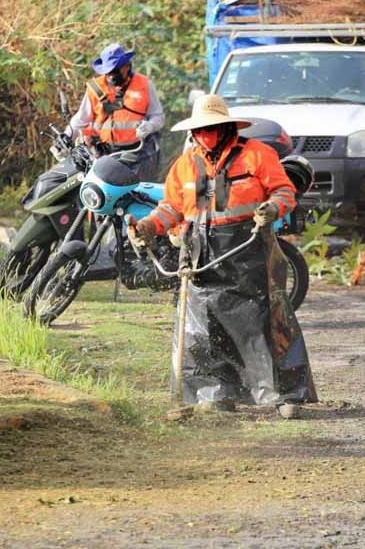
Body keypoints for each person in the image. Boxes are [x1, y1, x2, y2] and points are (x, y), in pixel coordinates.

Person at [127, 94, 316, 418]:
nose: (206, 135)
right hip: (201, 252)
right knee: (203, 329)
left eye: (212, 128)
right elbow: (171, 209)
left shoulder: (258, 155)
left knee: (266, 322)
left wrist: (272, 208)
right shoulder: (185, 165)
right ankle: (214, 394)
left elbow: (285, 192)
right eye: (200, 130)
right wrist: (148, 226)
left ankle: (286, 395)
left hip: (250, 249)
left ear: (227, 127)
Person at [69, 43, 163, 181]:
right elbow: (80, 121)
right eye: (108, 72)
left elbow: (158, 117)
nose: (111, 76)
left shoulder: (144, 84)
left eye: (115, 70)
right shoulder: (95, 88)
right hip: (105, 155)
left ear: (127, 66)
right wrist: (67, 135)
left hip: (138, 153)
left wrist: (150, 126)